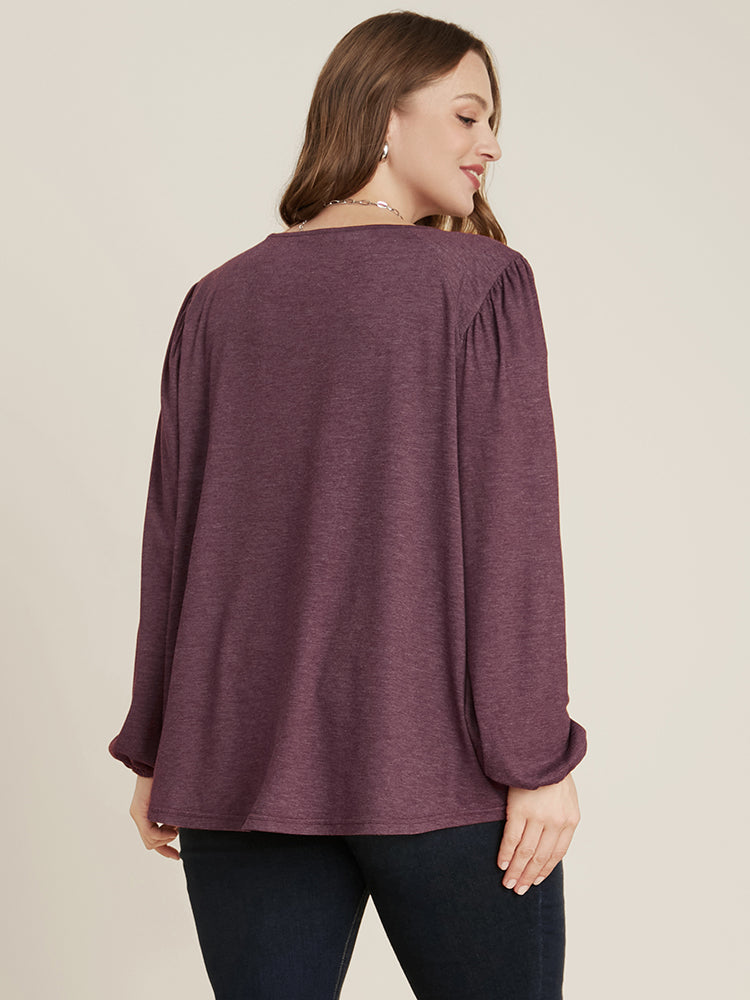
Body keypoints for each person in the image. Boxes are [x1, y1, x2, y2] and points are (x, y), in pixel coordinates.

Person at [108, 11, 588, 999]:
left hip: (237, 772)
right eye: (467, 116)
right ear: (381, 117)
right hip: (443, 776)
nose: (490, 145)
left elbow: (174, 539)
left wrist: (159, 744)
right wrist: (535, 758)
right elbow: (512, 541)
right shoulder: (482, 285)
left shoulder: (218, 299)